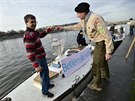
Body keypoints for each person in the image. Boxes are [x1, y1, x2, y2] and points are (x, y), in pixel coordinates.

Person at [58, 2, 114, 91]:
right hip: (97, 42)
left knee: (96, 64)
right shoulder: (84, 20)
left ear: (83, 13)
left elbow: (107, 35)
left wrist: (109, 52)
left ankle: (97, 85)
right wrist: (63, 28)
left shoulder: (95, 19)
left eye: (78, 14)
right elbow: (76, 26)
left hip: (101, 43)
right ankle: (104, 75)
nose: (77, 16)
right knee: (101, 61)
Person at [23, 14, 54, 97]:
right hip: (38, 59)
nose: (34, 24)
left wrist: (48, 30)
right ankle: (45, 91)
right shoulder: (29, 35)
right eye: (31, 22)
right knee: (43, 74)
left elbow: (41, 35)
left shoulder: (34, 32)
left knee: (46, 72)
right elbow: (30, 54)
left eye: (35, 22)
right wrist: (36, 66)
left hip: (42, 56)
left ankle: (47, 85)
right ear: (26, 23)